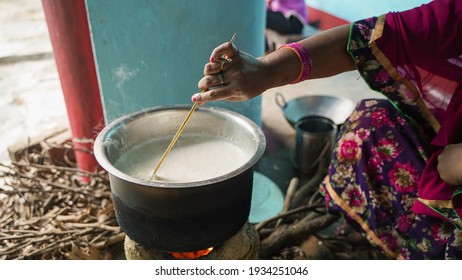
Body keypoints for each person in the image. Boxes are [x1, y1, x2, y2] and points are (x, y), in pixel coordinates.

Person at [191, 0, 462, 259]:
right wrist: (266, 72)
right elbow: (378, 35)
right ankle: (374, 230)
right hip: (445, 158)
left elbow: (450, 169)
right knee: (369, 125)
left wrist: (455, 164)